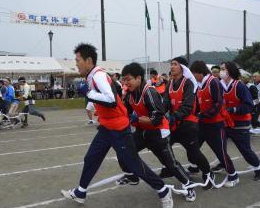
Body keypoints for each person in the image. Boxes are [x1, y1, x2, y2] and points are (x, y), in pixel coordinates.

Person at [61, 43, 173, 208]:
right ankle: (81, 192)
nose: (76, 63)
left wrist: (89, 93)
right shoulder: (92, 76)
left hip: (119, 128)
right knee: (91, 158)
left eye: (78, 60)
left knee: (133, 163)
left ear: (88, 60)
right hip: (107, 127)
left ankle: (163, 190)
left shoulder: (98, 76)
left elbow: (111, 100)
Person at [116, 62, 196, 202]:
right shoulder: (129, 95)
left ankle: (189, 185)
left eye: (128, 79)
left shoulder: (149, 92)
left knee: (170, 164)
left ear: (139, 78)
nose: (125, 82)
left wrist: (136, 118)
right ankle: (133, 176)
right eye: (124, 79)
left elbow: (156, 120)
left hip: (158, 133)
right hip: (143, 131)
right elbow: (126, 115)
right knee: (124, 149)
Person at [160, 57, 214, 190]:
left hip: (187, 125)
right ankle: (170, 168)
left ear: (183, 67)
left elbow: (188, 106)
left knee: (193, 154)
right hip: (174, 124)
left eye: (175, 64)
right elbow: (165, 103)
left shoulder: (189, 83)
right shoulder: (170, 83)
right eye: (171, 64)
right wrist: (159, 113)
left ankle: (208, 174)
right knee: (162, 147)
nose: (172, 67)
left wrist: (174, 117)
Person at [190, 60, 240, 187]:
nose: (193, 76)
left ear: (200, 72)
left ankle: (233, 175)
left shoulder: (213, 81)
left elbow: (218, 103)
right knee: (193, 148)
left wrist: (203, 115)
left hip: (215, 124)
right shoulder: (199, 85)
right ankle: (202, 170)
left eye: (194, 73)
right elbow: (198, 105)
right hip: (203, 124)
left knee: (220, 152)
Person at [219, 61, 260, 181]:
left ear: (230, 71)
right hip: (224, 123)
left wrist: (232, 109)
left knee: (245, 150)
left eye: (223, 69)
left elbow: (249, 106)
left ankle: (258, 168)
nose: (221, 71)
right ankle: (223, 164)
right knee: (219, 146)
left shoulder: (240, 86)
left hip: (240, 124)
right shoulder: (219, 85)